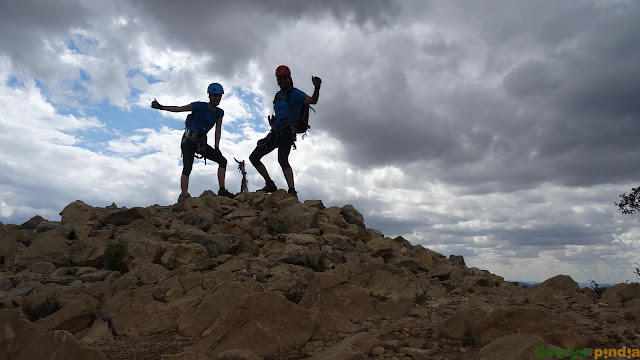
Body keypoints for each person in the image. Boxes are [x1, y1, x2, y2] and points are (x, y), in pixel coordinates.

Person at [151, 83, 236, 199]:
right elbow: (179, 109)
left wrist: (217, 147)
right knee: (187, 167)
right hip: (189, 140)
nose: (216, 98)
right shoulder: (198, 106)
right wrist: (161, 107)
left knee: (222, 161)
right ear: (209, 96)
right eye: (214, 95)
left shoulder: (219, 112)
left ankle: (222, 190)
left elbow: (218, 130)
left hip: (201, 142)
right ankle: (184, 194)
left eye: (218, 96)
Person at [249, 65, 321, 198]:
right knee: (263, 158)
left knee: (279, 159)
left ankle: (287, 189)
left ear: (289, 78)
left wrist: (317, 87)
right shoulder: (278, 95)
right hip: (277, 131)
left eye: (284, 78)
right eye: (280, 79)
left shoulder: (296, 94)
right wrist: (273, 123)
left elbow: (313, 101)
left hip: (287, 132)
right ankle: (280, 187)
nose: (282, 81)